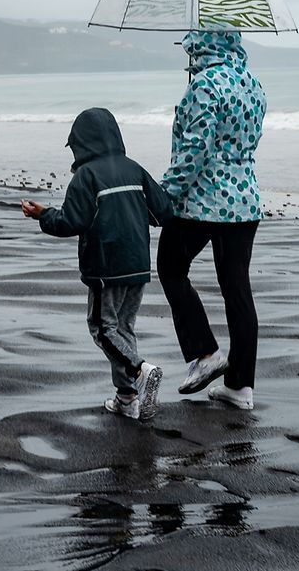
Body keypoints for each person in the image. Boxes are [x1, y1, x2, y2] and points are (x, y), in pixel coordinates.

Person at [23, 107, 173, 420]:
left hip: (106, 266)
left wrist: (43, 214)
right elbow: (162, 213)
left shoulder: (86, 177)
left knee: (103, 330)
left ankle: (140, 370)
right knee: (123, 327)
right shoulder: (135, 169)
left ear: (82, 143)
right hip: (139, 265)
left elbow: (71, 222)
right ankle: (127, 398)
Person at [157, 30, 267, 411]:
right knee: (237, 288)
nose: (189, 52)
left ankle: (205, 353)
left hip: (203, 202)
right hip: (245, 201)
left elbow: (194, 150)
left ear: (204, 46)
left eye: (193, 46)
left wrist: (163, 192)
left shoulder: (205, 85)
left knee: (170, 267)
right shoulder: (253, 85)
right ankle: (240, 387)